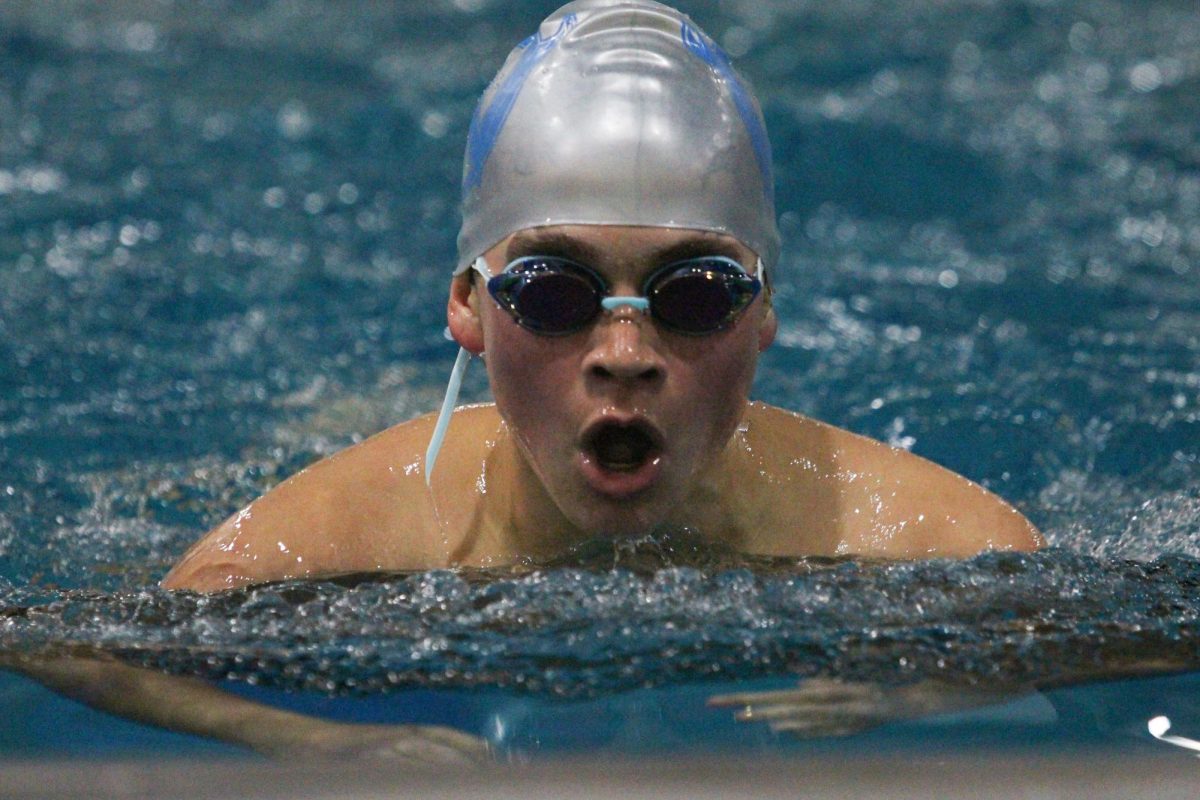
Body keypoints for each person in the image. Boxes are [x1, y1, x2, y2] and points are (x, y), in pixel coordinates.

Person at [162, 0, 1039, 595]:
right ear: (468, 303)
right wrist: (319, 747)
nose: (625, 354)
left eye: (696, 294)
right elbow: (89, 663)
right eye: (552, 294)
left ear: (764, 311)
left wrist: (929, 692)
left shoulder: (930, 540)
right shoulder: (329, 545)